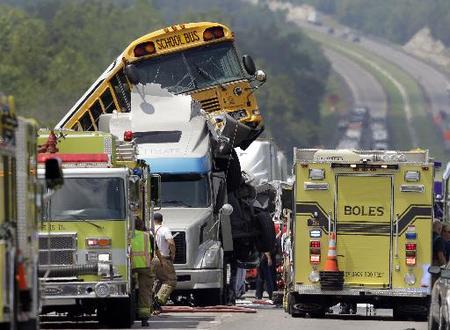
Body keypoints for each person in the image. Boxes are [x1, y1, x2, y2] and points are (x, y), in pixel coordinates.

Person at [151, 212, 177, 314]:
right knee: (170, 280)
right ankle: (158, 300)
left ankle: (152, 304)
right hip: (163, 259)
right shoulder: (164, 229)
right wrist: (173, 254)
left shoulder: (150, 231)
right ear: (162, 220)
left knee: (158, 281)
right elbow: (171, 242)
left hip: (152, 260)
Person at [131, 217, 153, 327]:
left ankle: (130, 310)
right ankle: (144, 319)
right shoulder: (147, 236)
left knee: (129, 290)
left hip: (130, 267)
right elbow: (152, 252)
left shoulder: (127, 235)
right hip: (145, 266)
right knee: (145, 292)